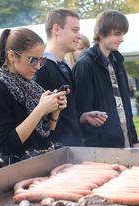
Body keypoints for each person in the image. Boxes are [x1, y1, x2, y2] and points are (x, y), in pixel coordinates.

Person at [0, 28, 68, 163]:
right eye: (33, 60)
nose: (38, 66)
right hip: (19, 171)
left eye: (41, 60)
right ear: (11, 56)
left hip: (40, 163)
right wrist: (40, 110)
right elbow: (6, 146)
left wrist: (55, 111)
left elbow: (45, 133)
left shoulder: (30, 85)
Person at [34, 8, 106, 147]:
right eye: (74, 30)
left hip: (72, 147)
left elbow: (65, 112)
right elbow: (39, 120)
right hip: (55, 153)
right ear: (56, 29)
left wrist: (82, 117)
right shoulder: (41, 69)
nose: (79, 36)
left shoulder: (65, 67)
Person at [73, 10, 139, 148]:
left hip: (124, 138)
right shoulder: (85, 64)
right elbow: (82, 113)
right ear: (101, 33)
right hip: (101, 147)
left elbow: (125, 105)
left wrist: (134, 139)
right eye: (117, 34)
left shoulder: (117, 61)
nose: (121, 39)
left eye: (123, 34)